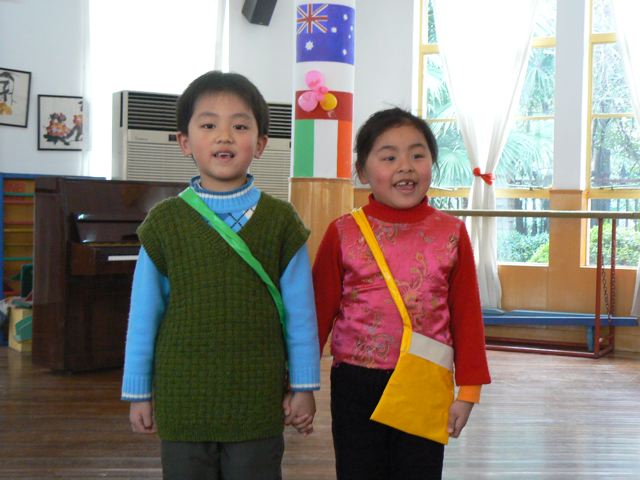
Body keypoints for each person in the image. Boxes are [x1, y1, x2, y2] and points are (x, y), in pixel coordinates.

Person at [121, 70, 320, 480]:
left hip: (257, 398)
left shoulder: (282, 222)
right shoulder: (164, 223)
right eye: (209, 125)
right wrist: (138, 390)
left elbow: (301, 317)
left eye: (240, 126)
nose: (224, 136)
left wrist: (304, 387)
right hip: (183, 399)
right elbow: (143, 316)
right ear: (184, 142)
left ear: (261, 143)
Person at [312, 107, 491, 480]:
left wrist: (469, 391)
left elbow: (467, 317)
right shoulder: (343, 232)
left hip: (426, 378)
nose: (405, 167)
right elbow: (316, 312)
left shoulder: (452, 233)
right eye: (389, 157)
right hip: (356, 382)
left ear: (431, 164)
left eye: (417, 155)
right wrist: (298, 384)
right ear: (363, 171)